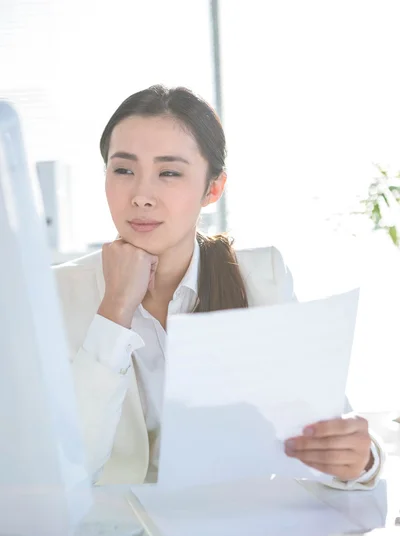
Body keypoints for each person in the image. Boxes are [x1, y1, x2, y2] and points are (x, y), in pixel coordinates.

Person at [54, 85, 383, 488]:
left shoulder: (262, 278)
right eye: (123, 170)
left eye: (169, 172)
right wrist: (116, 309)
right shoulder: (57, 292)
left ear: (212, 189)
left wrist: (361, 460)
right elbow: (64, 468)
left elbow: (327, 435)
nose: (140, 195)